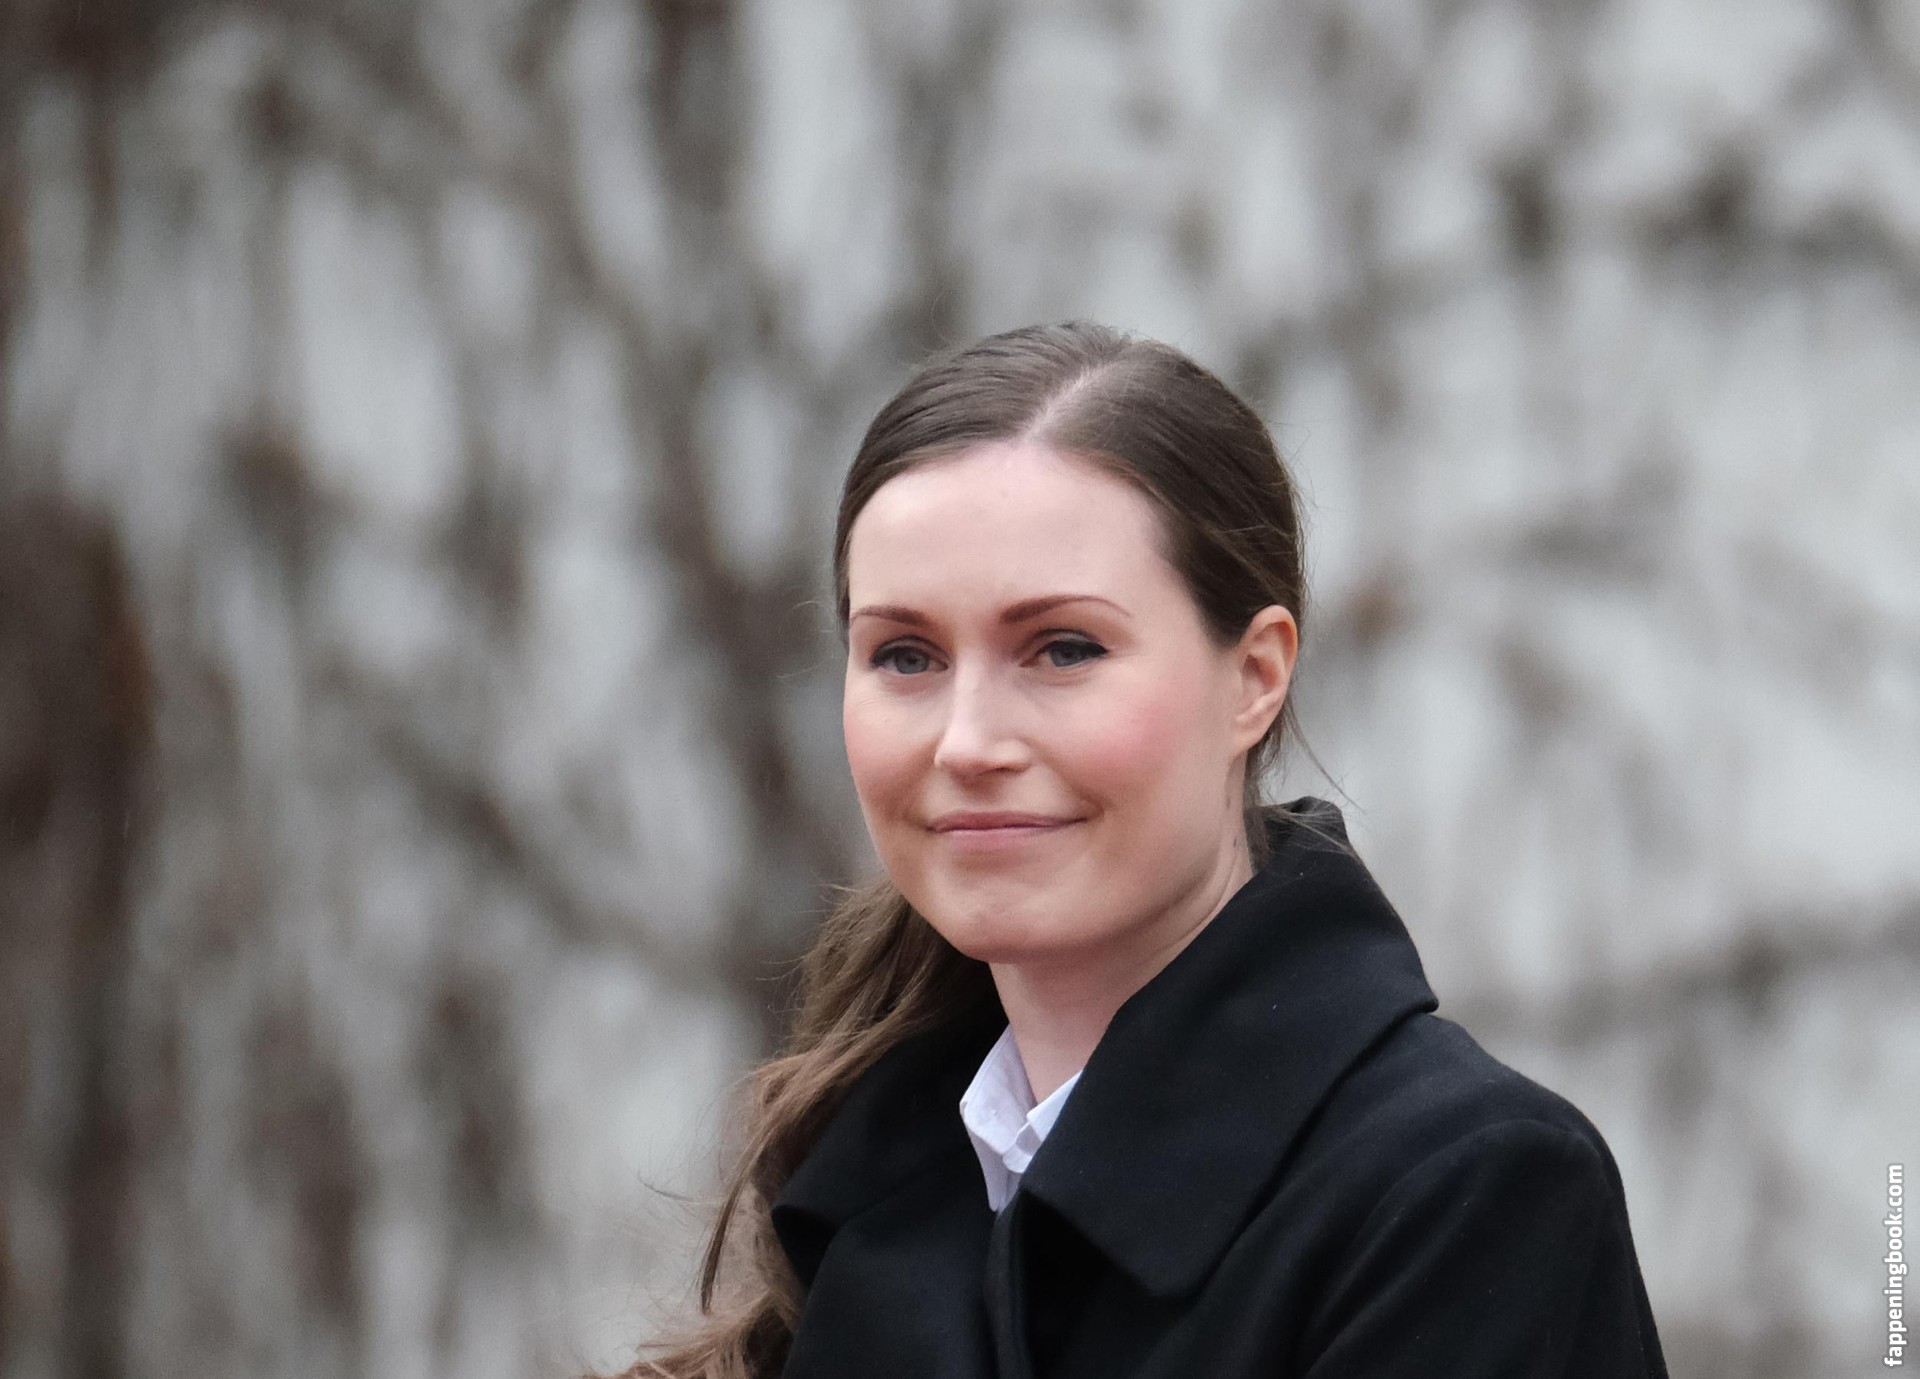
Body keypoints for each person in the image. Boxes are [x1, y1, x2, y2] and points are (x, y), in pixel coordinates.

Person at [624, 322, 1669, 1379]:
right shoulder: (871, 1187)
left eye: (1063, 648)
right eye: (905, 655)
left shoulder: (1460, 1193)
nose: (968, 741)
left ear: (1254, 676)